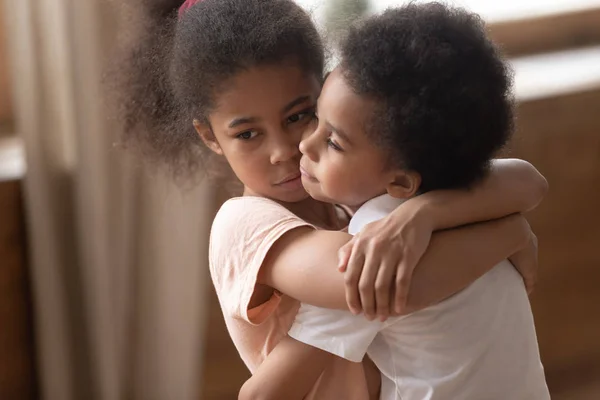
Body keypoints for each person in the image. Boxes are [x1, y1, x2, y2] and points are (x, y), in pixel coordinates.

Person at [110, 1, 547, 398]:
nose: (288, 149)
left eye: (300, 116)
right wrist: (507, 231)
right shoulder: (242, 225)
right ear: (209, 136)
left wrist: (424, 213)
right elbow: (385, 286)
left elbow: (528, 181)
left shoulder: (346, 195)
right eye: (247, 134)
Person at [241, 3, 550, 399]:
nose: (305, 143)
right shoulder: (471, 196)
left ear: (402, 182)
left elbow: (262, 395)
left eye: (334, 142)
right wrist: (513, 230)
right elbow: (529, 179)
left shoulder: (375, 248)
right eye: (315, 118)